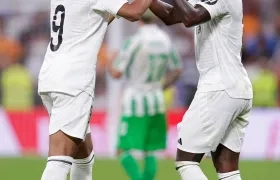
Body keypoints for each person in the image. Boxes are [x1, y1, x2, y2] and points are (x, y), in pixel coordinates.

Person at [37, 0, 153, 179]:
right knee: (59, 160)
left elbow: (91, 22)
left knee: (84, 157)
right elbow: (135, 12)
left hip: (50, 76)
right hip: (73, 81)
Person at [149, 0, 253, 180]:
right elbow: (170, 15)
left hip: (219, 86)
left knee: (186, 161)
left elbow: (190, 17)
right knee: (226, 167)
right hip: (236, 88)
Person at [108, 10, 182, 180]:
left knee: (122, 149)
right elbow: (177, 69)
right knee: (150, 150)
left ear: (139, 17)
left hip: (136, 100)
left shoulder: (135, 41)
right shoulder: (165, 39)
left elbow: (117, 73)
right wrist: (160, 86)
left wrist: (109, 62)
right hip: (156, 100)